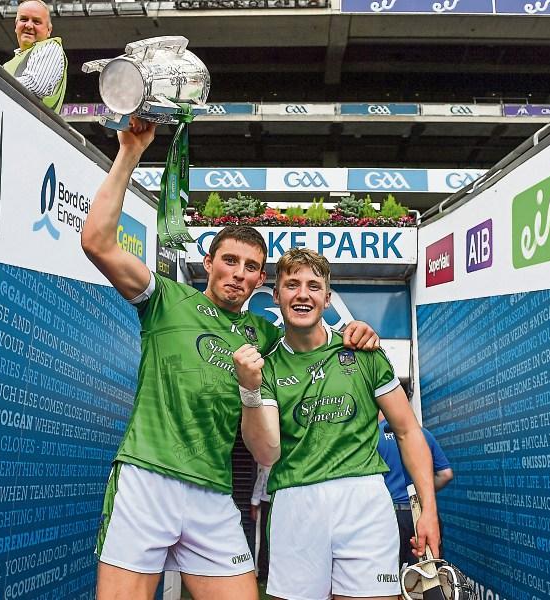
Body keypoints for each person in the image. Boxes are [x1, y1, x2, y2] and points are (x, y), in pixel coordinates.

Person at [81, 117, 379, 600]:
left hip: (214, 494)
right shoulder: (166, 300)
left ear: (261, 281)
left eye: (251, 268)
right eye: (230, 261)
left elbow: (312, 341)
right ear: (209, 262)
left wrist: (354, 333)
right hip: (147, 479)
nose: (238, 274)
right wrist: (131, 152)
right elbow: (97, 241)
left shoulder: (263, 334)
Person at [234, 247, 440, 600]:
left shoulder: (363, 351)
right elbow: (265, 452)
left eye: (313, 286)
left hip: (364, 501)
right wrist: (249, 390)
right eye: (292, 285)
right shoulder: (264, 366)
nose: (302, 294)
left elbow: (408, 431)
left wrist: (429, 511)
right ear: (277, 295)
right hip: (295, 503)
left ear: (327, 298)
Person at [377, 413, 453, 568]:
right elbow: (446, 474)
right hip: (422, 514)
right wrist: (422, 493)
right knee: (426, 576)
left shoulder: (373, 437)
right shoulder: (422, 434)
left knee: (388, 579)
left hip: (389, 516)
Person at [3, 0, 67, 112]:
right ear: (16, 25)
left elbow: (36, 85)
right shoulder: (8, 65)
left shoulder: (51, 47)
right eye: (24, 19)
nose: (28, 25)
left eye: (36, 22)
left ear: (49, 30)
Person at [250, 463, 271, 582]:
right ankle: (263, 573)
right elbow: (258, 487)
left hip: (283, 505)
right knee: (265, 540)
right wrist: (253, 507)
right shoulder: (267, 466)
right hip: (267, 505)